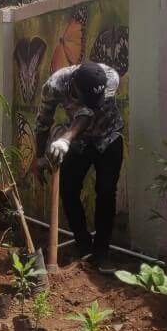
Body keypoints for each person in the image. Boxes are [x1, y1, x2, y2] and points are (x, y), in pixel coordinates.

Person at [34, 61, 124, 273]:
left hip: (108, 136)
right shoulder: (54, 85)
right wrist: (38, 158)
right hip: (80, 141)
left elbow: (88, 113)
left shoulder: (110, 78)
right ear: (73, 86)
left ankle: (101, 252)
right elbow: (43, 122)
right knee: (68, 190)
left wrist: (65, 139)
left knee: (106, 191)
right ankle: (84, 246)